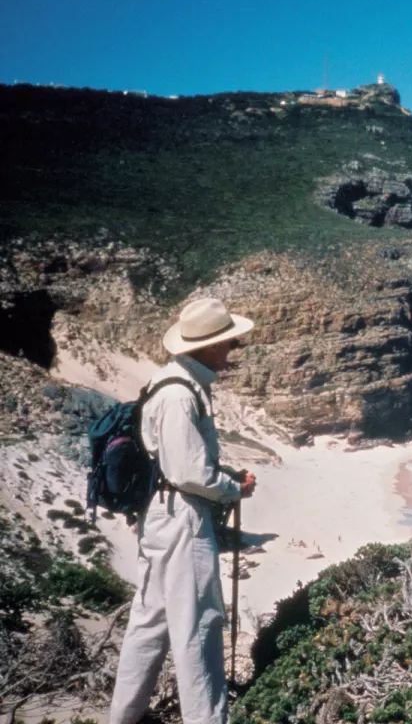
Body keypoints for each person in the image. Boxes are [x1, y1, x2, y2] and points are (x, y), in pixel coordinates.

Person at [110, 298, 258, 724]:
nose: (232, 352)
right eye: (228, 344)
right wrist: (233, 488)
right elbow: (188, 472)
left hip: (161, 515)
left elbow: (175, 462)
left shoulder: (171, 381)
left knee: (150, 621)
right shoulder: (180, 394)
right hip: (181, 519)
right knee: (198, 624)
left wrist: (221, 475)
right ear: (211, 347)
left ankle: (125, 716)